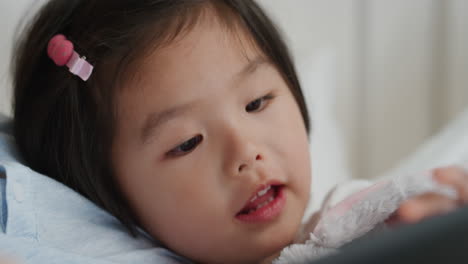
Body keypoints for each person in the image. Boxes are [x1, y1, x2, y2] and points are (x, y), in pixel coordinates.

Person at [3, 0, 468, 263]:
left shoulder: (351, 222)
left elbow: (401, 213)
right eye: (186, 143)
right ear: (106, 201)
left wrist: (434, 214)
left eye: (256, 103)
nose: (246, 152)